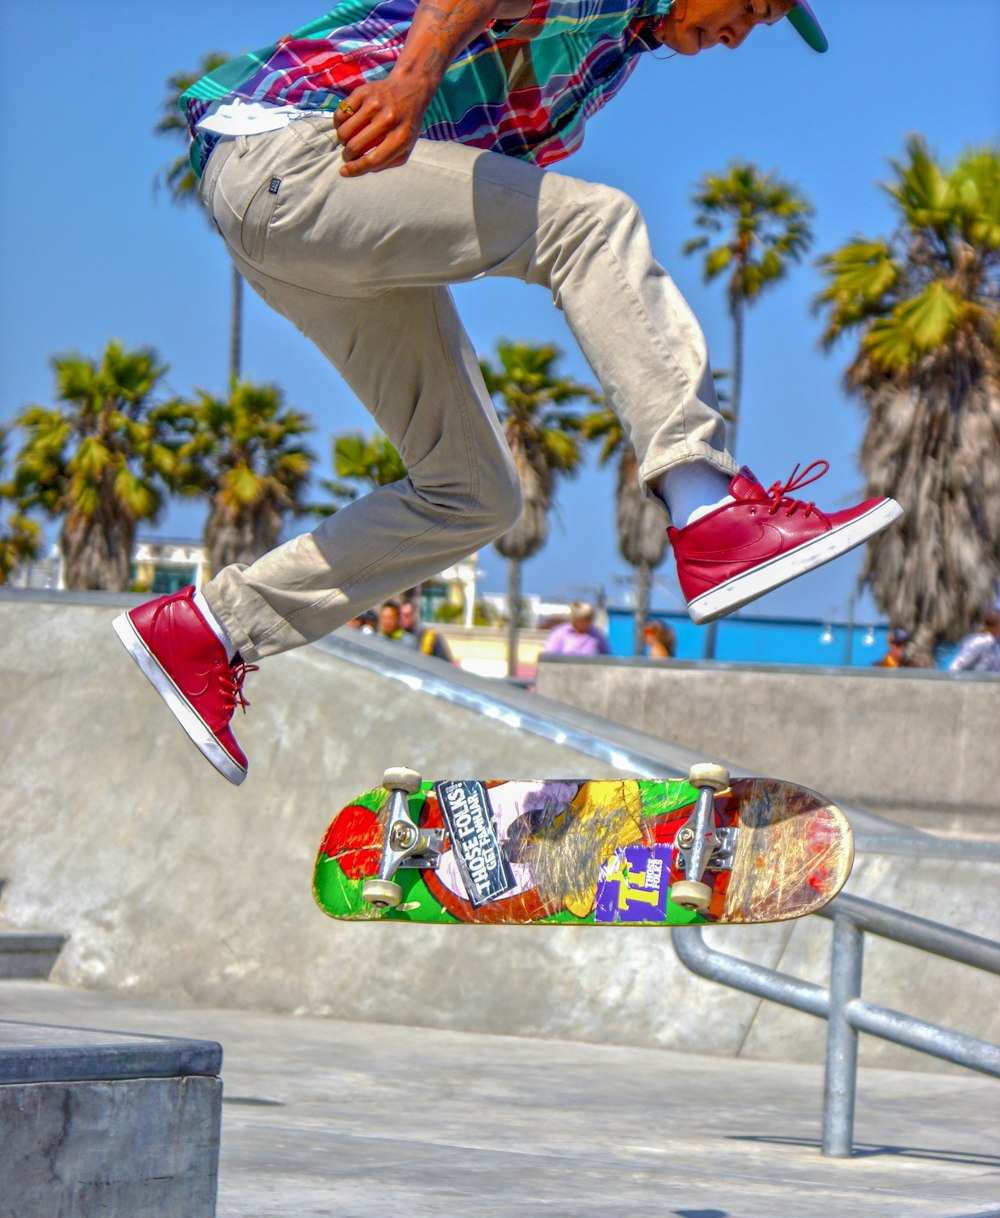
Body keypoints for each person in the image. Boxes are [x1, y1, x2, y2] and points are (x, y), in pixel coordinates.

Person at [113, 0, 902, 785]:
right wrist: (414, 76)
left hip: (311, 216)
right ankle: (708, 508)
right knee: (592, 224)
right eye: (752, 8)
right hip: (295, 149)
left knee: (475, 491)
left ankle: (211, 628)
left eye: (759, 29)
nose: (740, 34)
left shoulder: (613, 50)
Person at [544, 601, 611, 656]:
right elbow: (549, 656)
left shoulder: (596, 635)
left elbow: (606, 656)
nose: (588, 622)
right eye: (585, 619)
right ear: (575, 620)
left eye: (590, 618)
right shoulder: (560, 633)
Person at [400, 597, 455, 662]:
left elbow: (444, 662)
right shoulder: (395, 634)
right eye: (401, 615)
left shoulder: (429, 635)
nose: (403, 618)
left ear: (414, 615)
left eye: (406, 615)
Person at [949, 608, 1000, 673]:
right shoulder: (978, 641)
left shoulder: (995, 645)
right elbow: (957, 665)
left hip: (986, 681)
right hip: (971, 681)